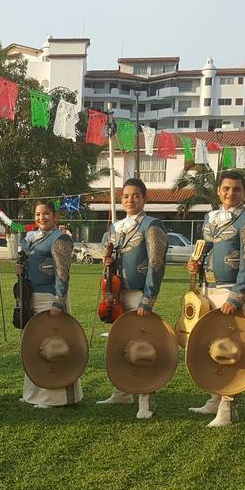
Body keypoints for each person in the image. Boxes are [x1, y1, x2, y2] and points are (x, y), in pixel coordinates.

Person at [186, 170, 245, 427]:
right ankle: (214, 397)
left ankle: (228, 406)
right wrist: (194, 265)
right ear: (219, 191)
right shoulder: (210, 217)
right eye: (226, 189)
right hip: (209, 289)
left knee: (230, 347)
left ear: (244, 193)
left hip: (230, 291)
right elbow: (204, 248)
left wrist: (238, 296)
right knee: (211, 344)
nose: (231, 193)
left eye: (237, 189)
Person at [95, 178, 167, 419]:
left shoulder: (152, 225)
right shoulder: (116, 228)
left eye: (136, 195)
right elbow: (110, 258)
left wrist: (148, 298)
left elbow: (156, 264)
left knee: (142, 345)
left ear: (144, 198)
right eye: (125, 196)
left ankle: (146, 400)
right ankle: (121, 392)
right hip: (117, 293)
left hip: (138, 292)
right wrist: (107, 262)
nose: (130, 200)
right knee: (119, 343)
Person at [19, 201, 83, 408]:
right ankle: (34, 394)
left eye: (46, 214)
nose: (41, 218)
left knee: (53, 346)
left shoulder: (60, 238)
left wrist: (59, 300)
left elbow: (62, 272)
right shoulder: (32, 239)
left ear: (55, 217)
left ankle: (55, 397)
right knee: (34, 345)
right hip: (32, 298)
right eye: (38, 214)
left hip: (51, 298)